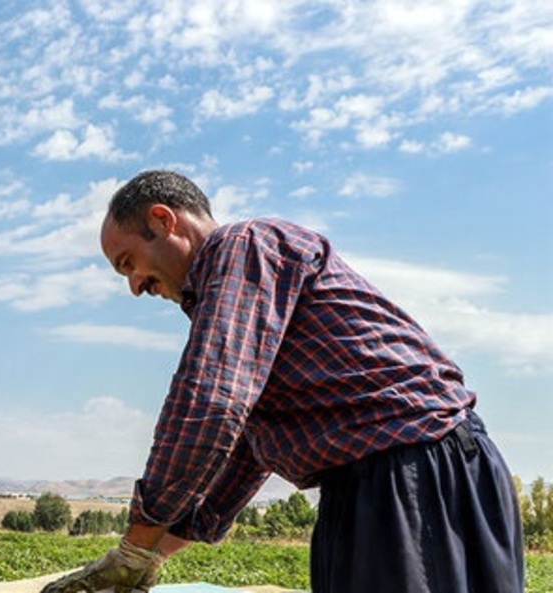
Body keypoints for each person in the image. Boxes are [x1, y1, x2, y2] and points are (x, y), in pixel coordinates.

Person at [42, 170, 525, 593]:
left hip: (413, 471)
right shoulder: (241, 303)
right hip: (382, 479)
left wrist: (135, 545)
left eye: (128, 262)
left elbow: (210, 403)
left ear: (165, 220)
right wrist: (149, 556)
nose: (135, 286)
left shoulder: (244, 245)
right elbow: (245, 455)